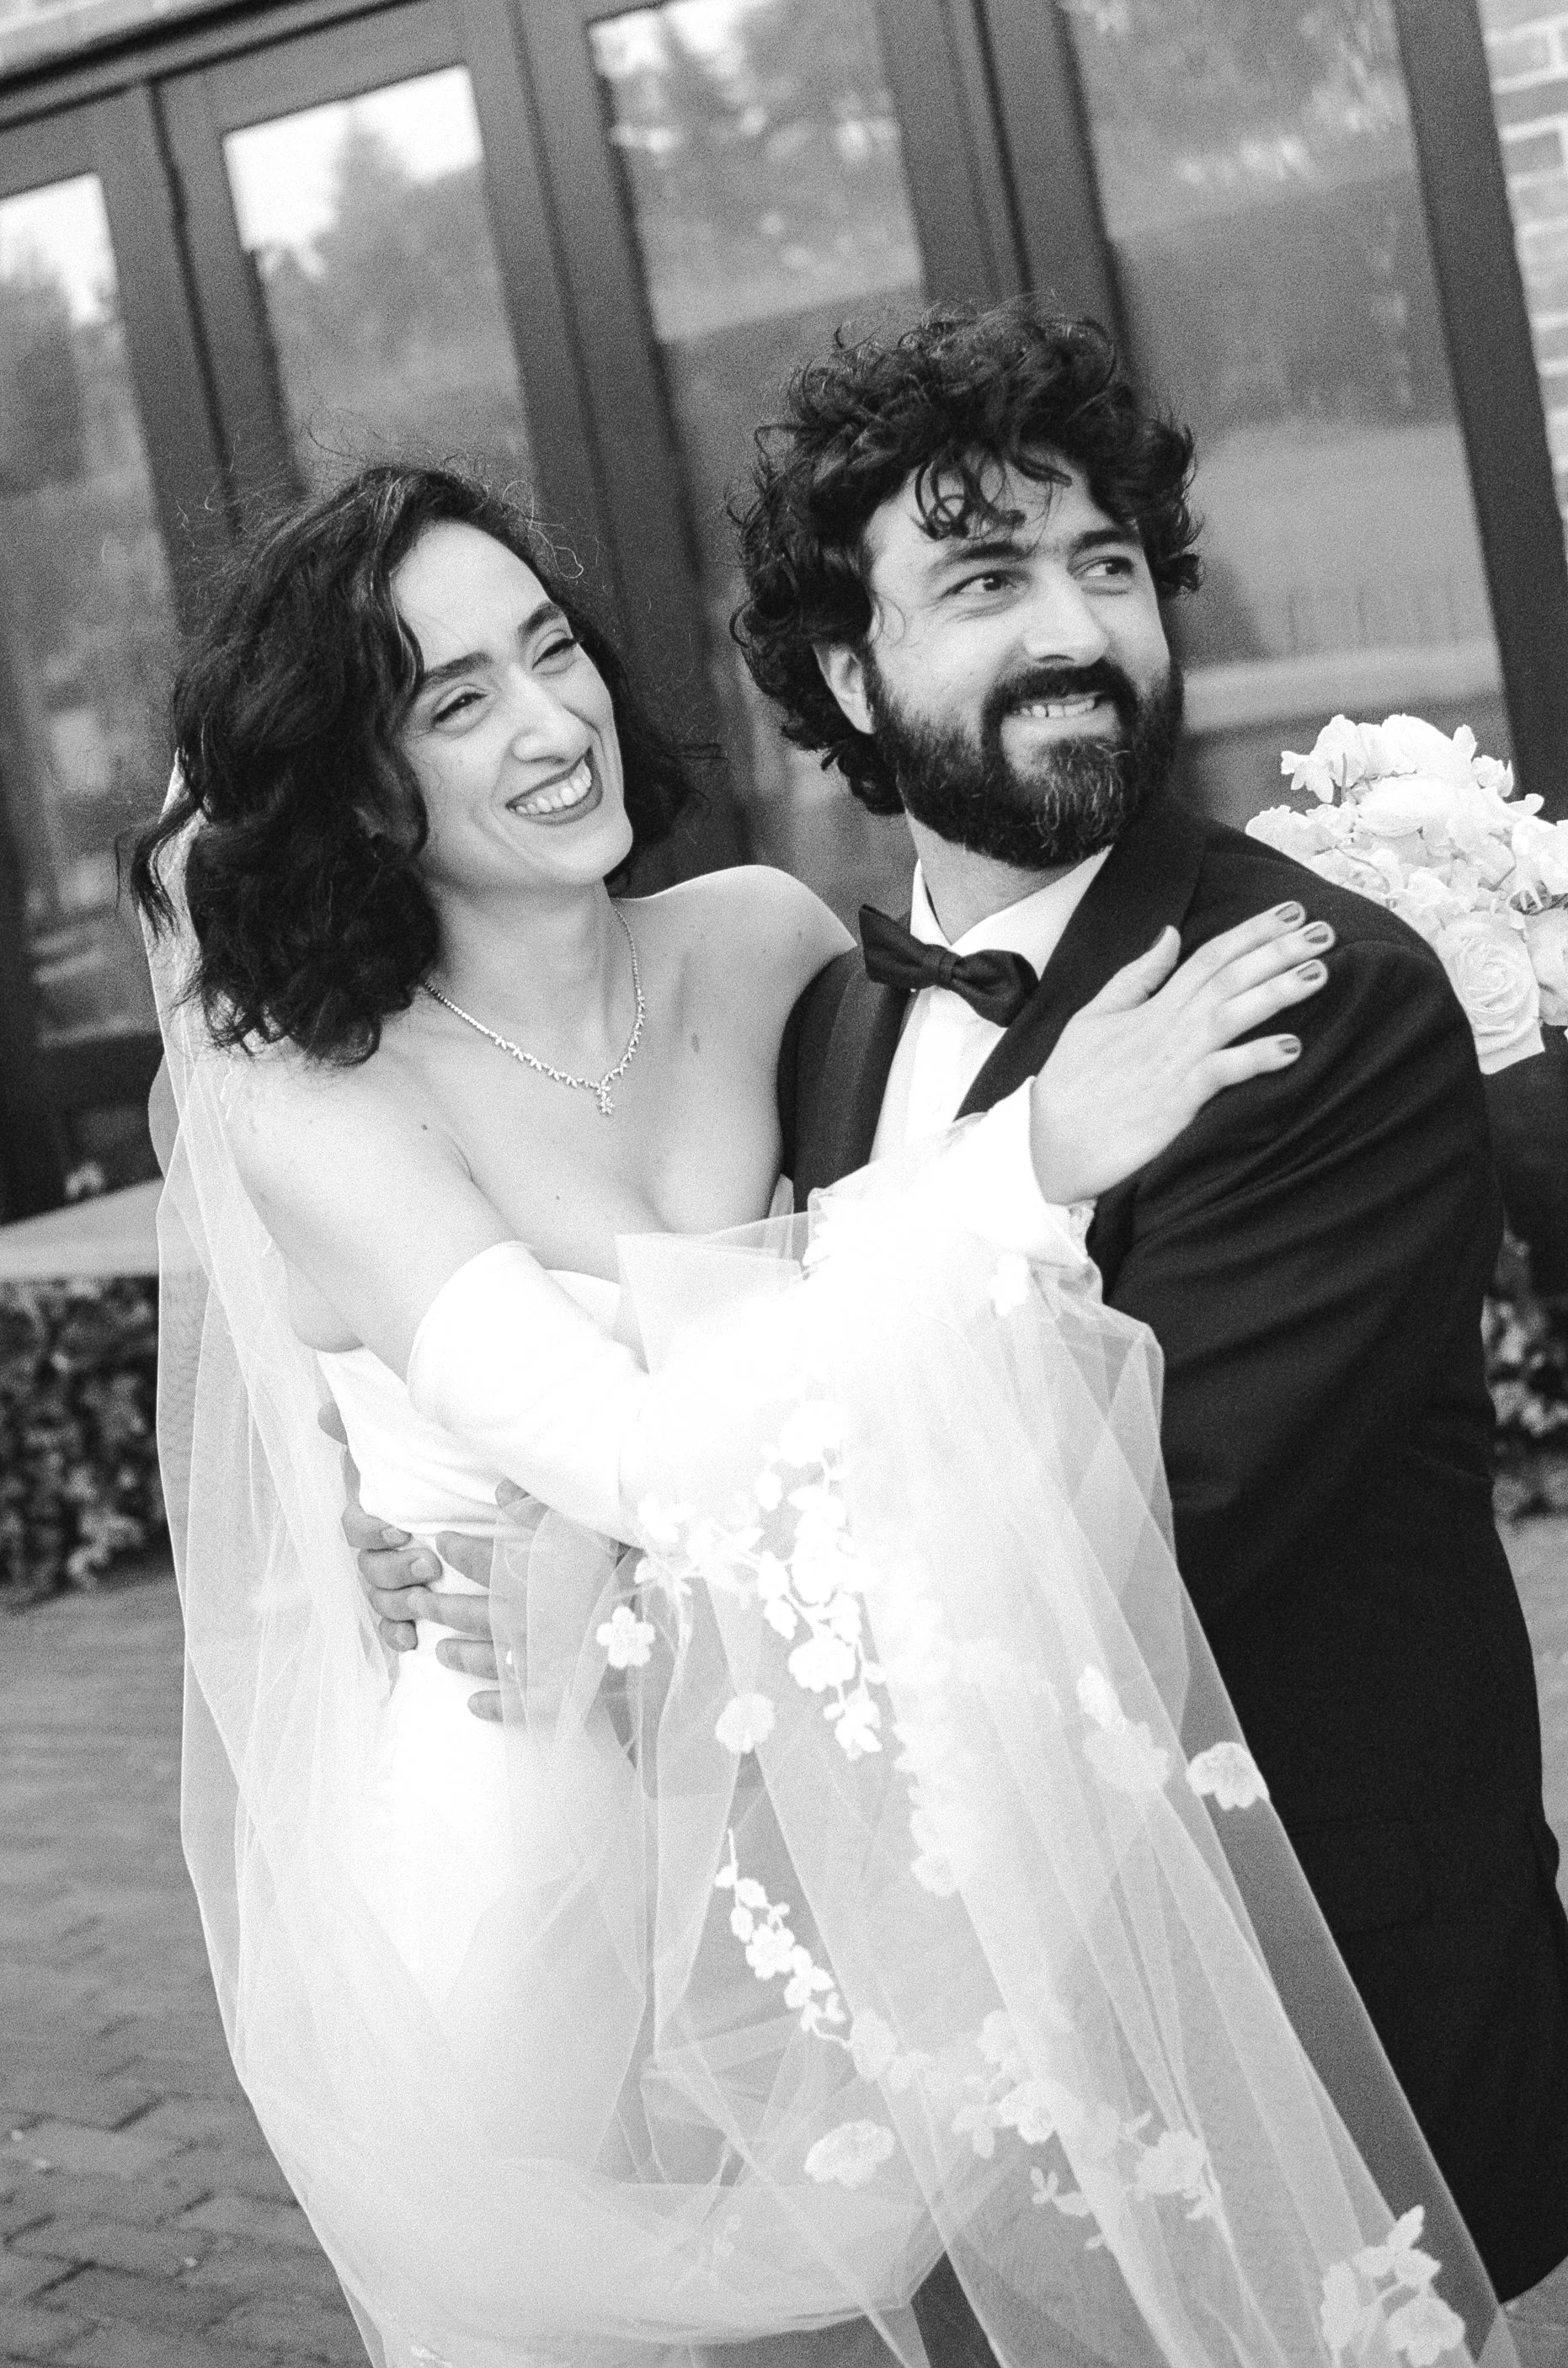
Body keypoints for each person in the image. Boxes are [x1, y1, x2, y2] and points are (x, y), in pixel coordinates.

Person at [140, 459, 1517, 2368]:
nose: (548, 723)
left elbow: (857, 1308)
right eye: (452, 700)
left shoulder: (768, 941)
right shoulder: (312, 1087)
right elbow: (610, 1449)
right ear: (353, 780)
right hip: (533, 1794)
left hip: (841, 1810)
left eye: (552, 651)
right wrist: (1025, 1161)